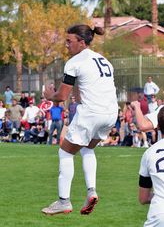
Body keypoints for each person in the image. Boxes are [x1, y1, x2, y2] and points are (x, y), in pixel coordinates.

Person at [42, 24, 118, 216]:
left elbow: (61, 96)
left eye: (69, 41)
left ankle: (63, 201)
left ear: (82, 42)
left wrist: (50, 95)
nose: (66, 44)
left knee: (65, 153)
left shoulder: (74, 62)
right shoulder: (104, 60)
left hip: (91, 113)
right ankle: (91, 191)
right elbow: (84, 88)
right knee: (87, 148)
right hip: (110, 113)